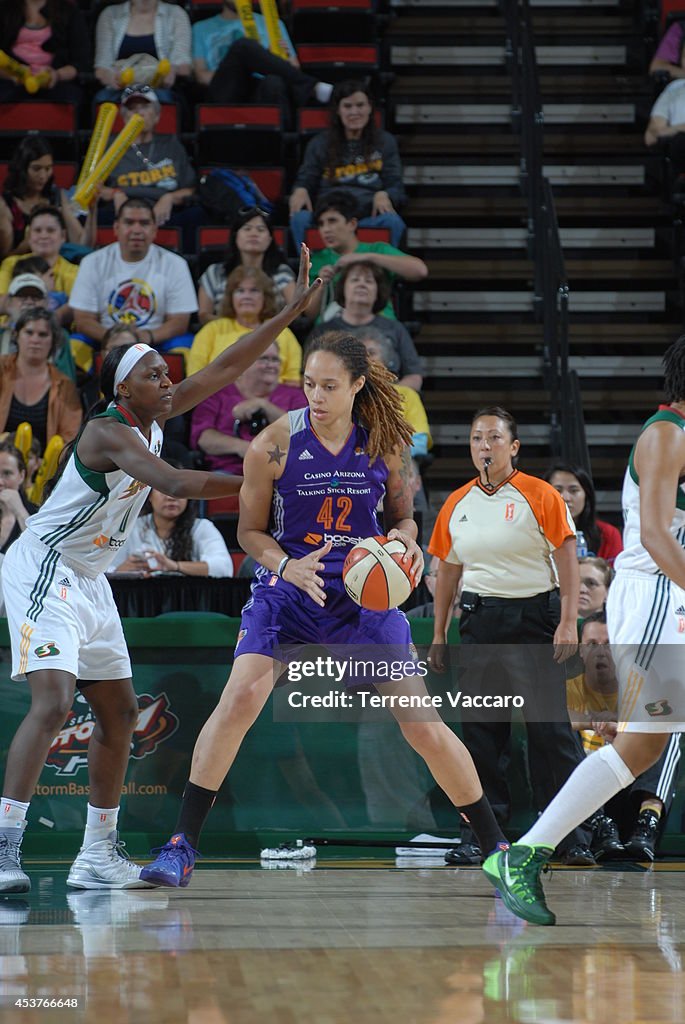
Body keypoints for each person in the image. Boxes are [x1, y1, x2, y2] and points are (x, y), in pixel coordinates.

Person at [0, 244, 321, 895]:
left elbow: (226, 364)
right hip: (44, 565)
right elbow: (173, 478)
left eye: (168, 374)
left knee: (118, 714)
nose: (169, 382)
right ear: (124, 387)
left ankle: (95, 855)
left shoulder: (155, 412)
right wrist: (263, 474)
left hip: (89, 577)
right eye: (154, 374)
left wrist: (288, 312)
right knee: (56, 700)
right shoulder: (106, 431)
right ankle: (5, 848)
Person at [140, 332, 510, 887]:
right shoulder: (273, 443)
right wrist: (285, 567)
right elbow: (249, 532)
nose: (315, 394)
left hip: (365, 594)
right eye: (310, 383)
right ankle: (181, 844)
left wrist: (407, 541)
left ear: (358, 386)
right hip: (289, 587)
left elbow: (404, 518)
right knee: (239, 698)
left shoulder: (384, 442)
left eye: (330, 386)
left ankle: (497, 847)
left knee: (422, 725)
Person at [484, 338, 685, 925]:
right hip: (655, 599)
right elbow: (652, 535)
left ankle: (523, 853)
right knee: (641, 741)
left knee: (645, 745)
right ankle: (525, 852)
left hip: (671, 600)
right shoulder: (665, 434)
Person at [428, 407, 593, 866]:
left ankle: (568, 834)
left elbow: (567, 560)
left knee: (550, 734)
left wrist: (567, 622)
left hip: (535, 620)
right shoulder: (456, 502)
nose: (485, 445)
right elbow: (447, 571)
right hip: (480, 622)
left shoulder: (540, 494)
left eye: (495, 438)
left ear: (513, 447)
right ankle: (480, 835)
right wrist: (440, 631)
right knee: (480, 736)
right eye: (477, 438)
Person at [566, 612, 682, 864]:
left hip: (630, 793)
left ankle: (648, 820)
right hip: (585, 803)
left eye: (609, 644)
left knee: (668, 728)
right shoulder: (570, 686)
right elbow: (555, 718)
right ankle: (597, 825)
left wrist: (623, 724)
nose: (600, 652)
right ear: (581, 651)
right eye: (592, 645)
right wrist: (594, 719)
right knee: (558, 734)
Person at [69, 197, 198, 371]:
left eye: (144, 223)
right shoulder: (92, 262)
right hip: (106, 338)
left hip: (155, 341)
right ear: (116, 228)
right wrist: (115, 339)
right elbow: (83, 320)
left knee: (186, 348)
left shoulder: (175, 264)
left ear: (154, 230)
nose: (136, 230)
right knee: (72, 346)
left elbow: (179, 322)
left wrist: (146, 336)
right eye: (129, 223)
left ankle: (173, 396)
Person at [290, 82, 408, 250]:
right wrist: (300, 189)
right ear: (338, 110)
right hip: (329, 217)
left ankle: (383, 275)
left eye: (360, 105)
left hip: (367, 215)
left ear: (369, 108)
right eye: (347, 106)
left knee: (392, 222)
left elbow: (396, 186)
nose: (354, 112)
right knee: (300, 218)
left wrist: (385, 194)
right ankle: (310, 273)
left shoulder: (385, 142)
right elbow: (306, 177)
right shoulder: (319, 143)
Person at [97, 86, 202, 254]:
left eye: (145, 107)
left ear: (157, 115)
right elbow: (94, 188)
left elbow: (191, 190)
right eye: (132, 109)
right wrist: (115, 193)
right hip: (123, 213)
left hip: (165, 214)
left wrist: (170, 197)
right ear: (124, 117)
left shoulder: (171, 144)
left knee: (197, 214)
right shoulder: (110, 146)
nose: (139, 113)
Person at [303, 190, 427, 325]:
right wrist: (321, 286)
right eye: (321, 224)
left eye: (332, 221)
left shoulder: (377, 250)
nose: (326, 229)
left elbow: (420, 271)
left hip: (380, 326)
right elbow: (310, 314)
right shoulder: (317, 260)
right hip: (334, 331)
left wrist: (367, 257)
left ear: (352, 224)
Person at [192, 0, 332, 119]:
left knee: (274, 82)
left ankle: (282, 144)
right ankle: (313, 86)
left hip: (263, 88)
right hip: (226, 90)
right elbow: (201, 76)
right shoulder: (201, 28)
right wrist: (241, 67)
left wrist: (272, 60)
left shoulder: (272, 23)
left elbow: (294, 68)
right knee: (243, 46)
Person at [190, 341, 307, 476]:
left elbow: (305, 433)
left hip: (282, 474)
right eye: (264, 359)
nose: (271, 365)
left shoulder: (294, 395)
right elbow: (203, 438)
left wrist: (263, 406)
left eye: (275, 359)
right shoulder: (216, 394)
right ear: (243, 362)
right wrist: (244, 448)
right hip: (229, 474)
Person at [307, 261, 424, 390]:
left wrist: (387, 398)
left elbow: (414, 377)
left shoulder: (395, 329)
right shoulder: (323, 331)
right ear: (342, 288)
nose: (361, 284)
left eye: (368, 281)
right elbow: (307, 378)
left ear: (377, 291)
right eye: (355, 280)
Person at [109, 466, 234, 578]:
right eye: (163, 490)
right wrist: (121, 571)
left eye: (179, 490)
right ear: (150, 496)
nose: (170, 497)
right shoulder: (130, 528)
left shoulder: (202, 527)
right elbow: (104, 571)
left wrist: (174, 566)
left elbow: (224, 569)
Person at [187, 266, 302, 384]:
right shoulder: (211, 330)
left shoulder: (282, 331)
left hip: (273, 398)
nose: (247, 296)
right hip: (220, 398)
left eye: (254, 290)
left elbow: (292, 382)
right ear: (231, 297)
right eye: (240, 291)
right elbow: (194, 378)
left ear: (265, 297)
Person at [198, 207, 296, 325]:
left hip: (272, 335)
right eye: (247, 228)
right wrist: (236, 326)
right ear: (235, 236)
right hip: (223, 336)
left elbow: (295, 312)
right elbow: (204, 315)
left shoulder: (282, 272)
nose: (253, 234)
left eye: (260, 230)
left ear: (270, 239)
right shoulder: (215, 272)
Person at [0, 138, 94, 260]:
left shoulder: (56, 197)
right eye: (36, 169)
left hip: (55, 268)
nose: (43, 176)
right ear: (22, 169)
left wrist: (93, 211)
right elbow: (4, 259)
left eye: (48, 168)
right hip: (19, 271)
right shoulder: (5, 204)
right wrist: (31, 241)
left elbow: (81, 244)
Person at [0, 307, 81, 448]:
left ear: (53, 341)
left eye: (43, 334)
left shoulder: (65, 385)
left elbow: (69, 439)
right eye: (29, 332)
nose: (35, 340)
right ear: (16, 335)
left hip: (45, 466)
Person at [94, 0, 192, 104]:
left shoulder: (175, 13)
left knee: (162, 99)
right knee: (103, 98)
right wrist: (110, 77)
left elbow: (183, 65)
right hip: (122, 86)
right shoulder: (110, 14)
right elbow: (102, 66)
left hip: (158, 86)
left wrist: (172, 71)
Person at [0, 206, 81, 326]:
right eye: (37, 230)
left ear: (63, 236)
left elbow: (78, 308)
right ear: (29, 235)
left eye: (50, 230)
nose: (43, 236)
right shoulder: (11, 263)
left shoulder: (74, 272)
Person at [0, 0, 89, 104]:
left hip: (56, 80)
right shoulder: (4, 9)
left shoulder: (68, 11)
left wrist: (57, 75)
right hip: (11, 80)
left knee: (70, 96)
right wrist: (12, 74)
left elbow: (80, 61)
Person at [545, 462, 623, 564]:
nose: (566, 498)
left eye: (574, 490)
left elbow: (613, 576)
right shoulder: (533, 532)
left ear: (587, 496)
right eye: (557, 490)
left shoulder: (608, 534)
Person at [0, 442, 37, 556]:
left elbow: (38, 554)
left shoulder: (36, 514)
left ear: (21, 476)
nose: (0, 482)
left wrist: (20, 511)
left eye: (7, 473)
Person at [0, 273, 49, 355]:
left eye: (35, 297)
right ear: (9, 301)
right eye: (22, 297)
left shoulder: (58, 336)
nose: (29, 302)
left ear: (46, 302)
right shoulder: (1, 334)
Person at [644, 78, 685, 173]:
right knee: (680, 140)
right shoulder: (674, 90)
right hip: (680, 146)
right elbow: (651, 137)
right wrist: (681, 128)